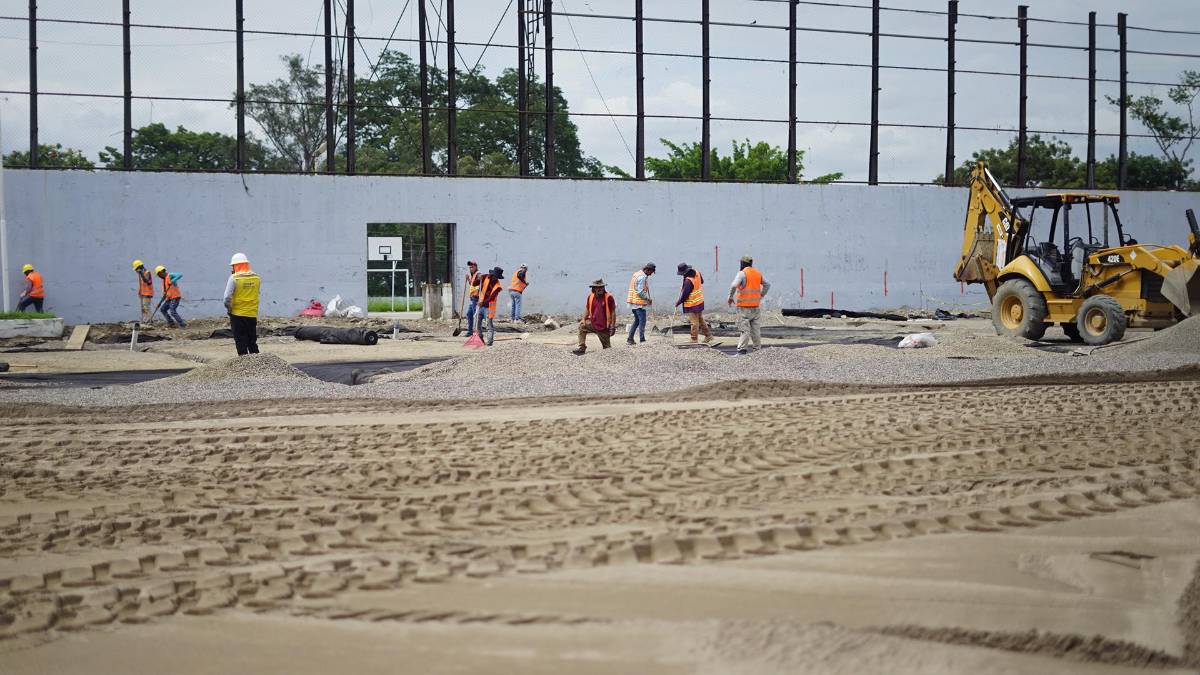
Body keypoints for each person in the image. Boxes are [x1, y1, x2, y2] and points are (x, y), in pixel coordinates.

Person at [728, 254, 771, 355]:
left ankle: (742, 350)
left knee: (745, 329)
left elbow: (734, 285)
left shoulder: (742, 273)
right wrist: (761, 295)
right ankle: (757, 350)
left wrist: (730, 297)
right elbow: (767, 284)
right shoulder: (757, 273)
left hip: (743, 307)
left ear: (742, 263)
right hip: (755, 307)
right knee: (756, 330)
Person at [223, 252, 261, 356]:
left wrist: (229, 309)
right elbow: (256, 293)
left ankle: (243, 365)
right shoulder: (257, 278)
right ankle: (257, 362)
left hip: (237, 314)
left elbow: (227, 298)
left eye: (233, 266)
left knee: (240, 340)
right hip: (252, 314)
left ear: (236, 265)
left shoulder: (234, 278)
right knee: (252, 340)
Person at [573, 279, 617, 354]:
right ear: (593, 289)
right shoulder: (590, 297)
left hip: (604, 327)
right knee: (582, 326)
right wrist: (583, 319)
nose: (600, 289)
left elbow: (613, 312)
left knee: (607, 350)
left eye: (602, 287)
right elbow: (587, 308)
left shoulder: (609, 297)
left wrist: (612, 327)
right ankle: (582, 347)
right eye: (598, 287)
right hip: (593, 323)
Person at [675, 262, 712, 344]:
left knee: (694, 322)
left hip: (692, 304)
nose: (681, 275)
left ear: (685, 272)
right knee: (700, 319)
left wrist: (678, 302)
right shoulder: (697, 273)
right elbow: (701, 282)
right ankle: (708, 335)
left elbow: (685, 295)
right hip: (699, 301)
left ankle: (694, 339)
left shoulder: (688, 281)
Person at [626, 262, 656, 345]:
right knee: (642, 322)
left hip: (633, 303)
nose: (651, 274)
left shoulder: (637, 274)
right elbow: (640, 292)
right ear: (647, 270)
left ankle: (630, 339)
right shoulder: (642, 277)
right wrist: (647, 299)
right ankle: (642, 340)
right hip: (639, 304)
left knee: (636, 321)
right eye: (651, 272)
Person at [475, 266, 504, 346]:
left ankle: (489, 342)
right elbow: (474, 283)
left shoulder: (498, 286)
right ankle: (480, 339)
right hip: (480, 306)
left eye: (497, 277)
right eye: (495, 276)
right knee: (477, 324)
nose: (495, 278)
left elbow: (492, 298)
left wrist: (482, 303)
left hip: (489, 307)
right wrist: (478, 277)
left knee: (489, 326)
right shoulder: (485, 277)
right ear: (492, 274)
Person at [464, 260, 481, 337]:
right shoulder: (473, 275)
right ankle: (470, 331)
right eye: (470, 267)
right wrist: (468, 279)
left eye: (472, 267)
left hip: (476, 297)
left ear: (476, 267)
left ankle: (476, 331)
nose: (471, 268)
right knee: (469, 314)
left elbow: (481, 278)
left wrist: (481, 277)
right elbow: (472, 284)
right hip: (472, 298)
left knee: (475, 315)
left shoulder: (478, 274)